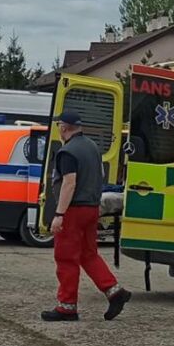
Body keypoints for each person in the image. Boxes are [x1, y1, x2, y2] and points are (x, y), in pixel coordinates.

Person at [41, 106, 130, 323]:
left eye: (59, 125)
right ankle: (114, 291)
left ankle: (66, 307)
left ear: (64, 127)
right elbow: (99, 176)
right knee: (88, 254)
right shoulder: (92, 147)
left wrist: (59, 214)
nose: (59, 129)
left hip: (73, 210)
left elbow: (69, 183)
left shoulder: (68, 152)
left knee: (66, 258)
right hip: (92, 208)